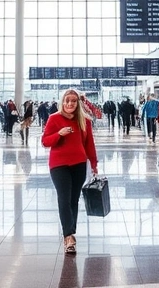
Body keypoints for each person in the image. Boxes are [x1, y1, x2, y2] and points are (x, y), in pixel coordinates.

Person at [42, 88, 98, 255]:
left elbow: (89, 144)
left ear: (77, 103)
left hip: (79, 164)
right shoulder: (54, 118)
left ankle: (70, 231)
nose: (70, 104)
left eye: (73, 101)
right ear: (62, 102)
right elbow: (45, 141)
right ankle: (68, 237)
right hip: (58, 165)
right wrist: (59, 134)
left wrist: (94, 164)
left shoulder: (85, 121)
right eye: (67, 101)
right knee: (64, 198)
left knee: (74, 199)